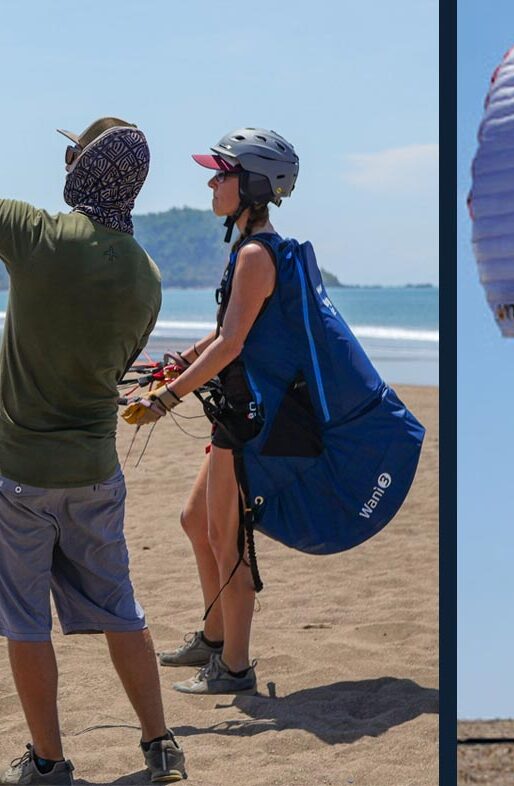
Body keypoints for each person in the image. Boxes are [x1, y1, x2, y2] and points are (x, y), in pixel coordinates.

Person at [0, 118, 186, 784]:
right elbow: (118, 369)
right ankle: (161, 744)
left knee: (25, 623)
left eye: (73, 153)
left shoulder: (37, 237)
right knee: (121, 608)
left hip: (20, 475)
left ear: (83, 167)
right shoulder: (149, 279)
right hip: (94, 472)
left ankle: (48, 761)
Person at [128, 127, 301, 695]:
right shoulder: (249, 251)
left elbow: (232, 347)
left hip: (245, 419)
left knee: (228, 539)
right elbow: (226, 334)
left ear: (250, 185)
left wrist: (166, 399)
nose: (211, 181)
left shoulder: (255, 254)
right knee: (193, 521)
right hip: (235, 410)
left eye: (222, 173)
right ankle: (214, 634)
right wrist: (178, 364)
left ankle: (235, 667)